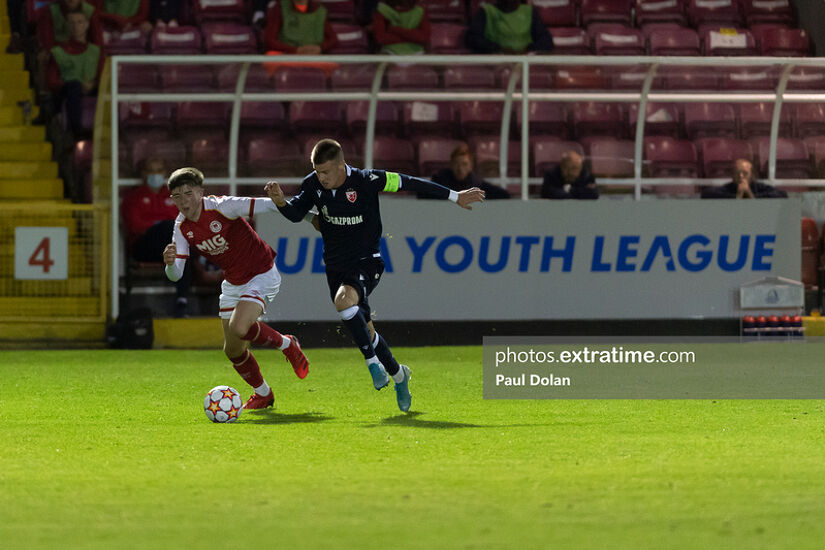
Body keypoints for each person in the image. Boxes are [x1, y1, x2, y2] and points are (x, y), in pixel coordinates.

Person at [266, 138, 485, 412]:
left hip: (367, 261)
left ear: (341, 165)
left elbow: (409, 182)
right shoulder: (312, 184)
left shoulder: (367, 180)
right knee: (366, 330)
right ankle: (399, 375)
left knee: (343, 302)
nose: (320, 178)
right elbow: (297, 214)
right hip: (335, 265)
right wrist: (280, 203)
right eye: (317, 171)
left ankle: (373, 366)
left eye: (326, 172)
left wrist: (454, 196)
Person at [163, 167, 310, 410]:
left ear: (200, 192)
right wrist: (169, 264)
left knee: (240, 327)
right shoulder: (180, 227)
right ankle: (263, 394)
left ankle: (287, 345)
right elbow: (176, 274)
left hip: (261, 273)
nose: (183, 201)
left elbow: (270, 205)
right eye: (176, 196)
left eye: (188, 193)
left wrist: (308, 213)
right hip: (233, 281)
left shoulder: (223, 206)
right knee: (232, 350)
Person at [122, 157, 194, 317]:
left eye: (159, 170)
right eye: (151, 171)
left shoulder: (174, 196)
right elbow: (135, 226)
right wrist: (160, 225)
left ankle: (182, 301)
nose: (156, 174)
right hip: (144, 246)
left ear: (165, 173)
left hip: (170, 245)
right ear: (143, 174)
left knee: (183, 250)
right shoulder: (133, 198)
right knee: (170, 227)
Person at [45, 9, 104, 138]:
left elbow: (102, 76)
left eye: (80, 22)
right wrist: (70, 84)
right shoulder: (58, 51)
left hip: (91, 88)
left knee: (107, 88)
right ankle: (77, 133)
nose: (76, 26)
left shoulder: (97, 51)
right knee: (74, 86)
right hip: (66, 91)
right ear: (67, 25)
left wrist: (93, 84)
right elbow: (51, 81)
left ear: (87, 24)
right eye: (71, 23)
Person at [465, 0, 554, 54]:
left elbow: (546, 41)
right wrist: (499, 49)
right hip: (495, 62)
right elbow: (472, 39)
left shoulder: (529, 11)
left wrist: (528, 49)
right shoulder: (486, 11)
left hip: (525, 62)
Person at [424, 144, 510, 199]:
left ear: (470, 166)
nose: (460, 168)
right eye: (456, 163)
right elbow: (423, 193)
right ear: (451, 165)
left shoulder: (477, 185)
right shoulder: (440, 181)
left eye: (464, 164)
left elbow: (503, 195)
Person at [263, 0, 339, 55]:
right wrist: (296, 50)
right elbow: (270, 40)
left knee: (331, 65)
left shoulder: (319, 11)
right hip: (285, 54)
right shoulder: (279, 7)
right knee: (271, 57)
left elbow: (333, 39)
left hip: (313, 56)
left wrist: (319, 48)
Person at [700, 158, 788, 199]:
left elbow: (782, 194)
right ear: (732, 175)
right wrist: (737, 196)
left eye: (745, 173)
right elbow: (706, 194)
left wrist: (751, 195)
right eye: (738, 173)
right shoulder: (727, 188)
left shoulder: (759, 187)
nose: (741, 176)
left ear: (752, 175)